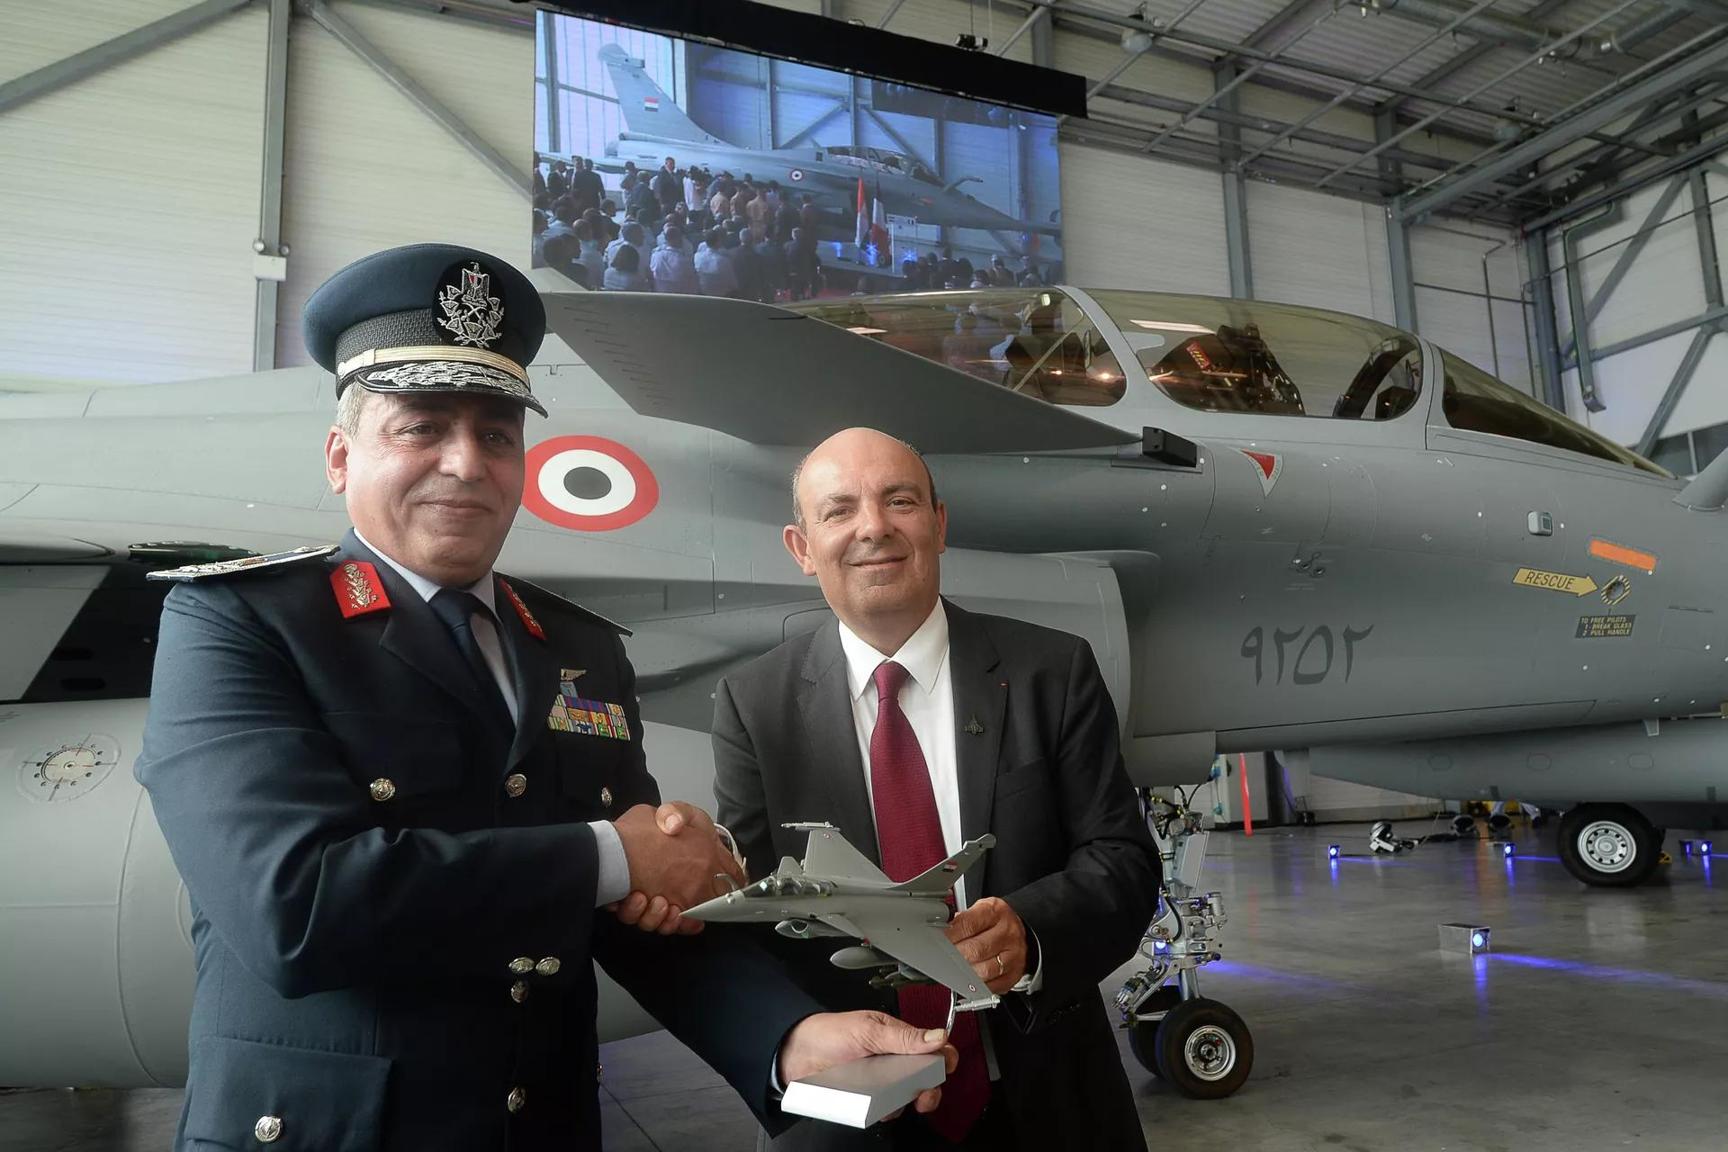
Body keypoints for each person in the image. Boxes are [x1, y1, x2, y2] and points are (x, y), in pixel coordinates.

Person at [134, 247, 955, 1152]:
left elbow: (637, 916)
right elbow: (292, 907)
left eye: (496, 435)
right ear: (340, 456)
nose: (465, 462)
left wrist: (785, 1036)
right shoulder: (240, 624)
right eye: (420, 427)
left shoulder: (576, 648)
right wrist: (612, 854)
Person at [711, 428, 1159, 1151]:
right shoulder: (754, 705)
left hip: (1045, 1100)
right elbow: (759, 914)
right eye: (839, 510)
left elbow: (1124, 862)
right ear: (801, 547)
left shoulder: (1053, 672)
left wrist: (1029, 932)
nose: (874, 527)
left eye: (900, 501)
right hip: (849, 1117)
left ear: (939, 525)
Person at [651, 225, 698, 294]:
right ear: (678, 238)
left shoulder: (655, 255)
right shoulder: (684, 260)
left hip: (659, 294)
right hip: (679, 296)